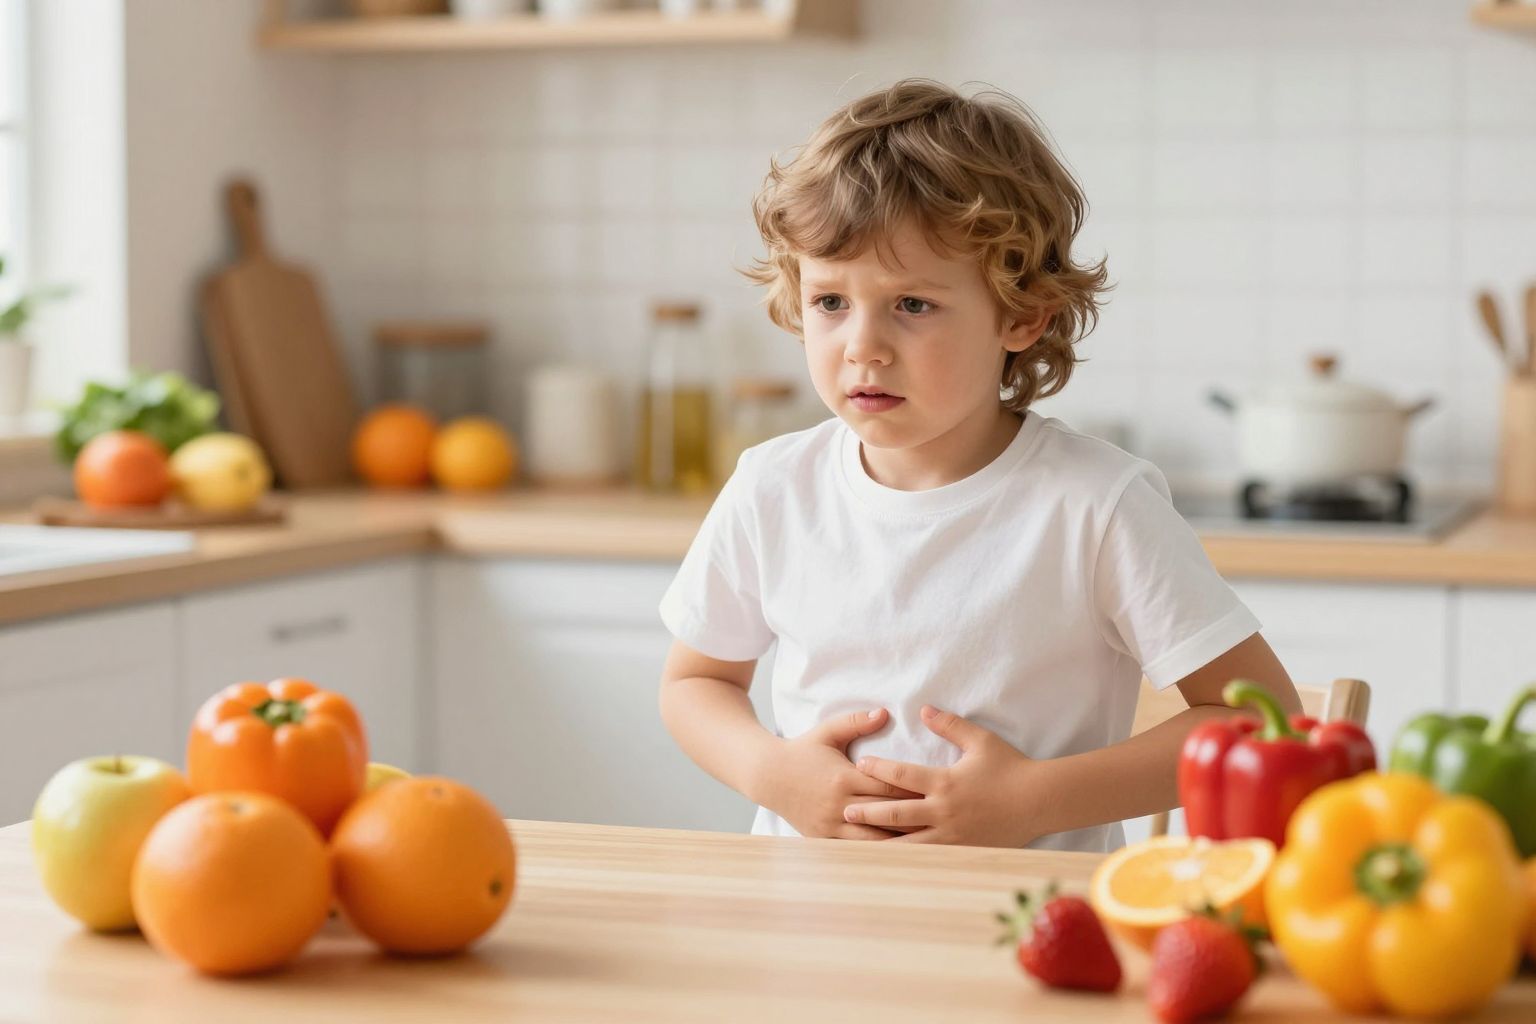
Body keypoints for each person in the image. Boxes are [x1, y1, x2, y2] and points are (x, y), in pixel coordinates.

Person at [657, 78, 1298, 852]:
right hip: (807, 926)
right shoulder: (772, 487)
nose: (862, 344)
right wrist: (774, 776)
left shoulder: (1095, 506)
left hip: (1025, 934)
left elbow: (1262, 718)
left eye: (912, 305)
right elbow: (695, 684)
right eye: (830, 302)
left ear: (1023, 313)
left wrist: (1032, 801)